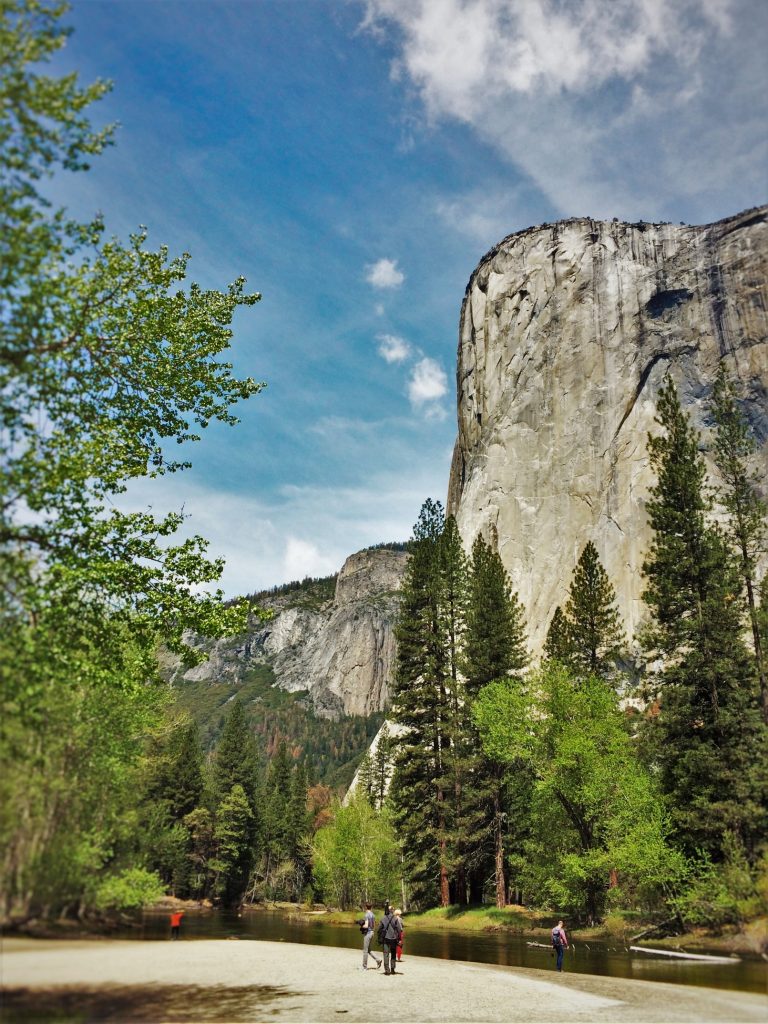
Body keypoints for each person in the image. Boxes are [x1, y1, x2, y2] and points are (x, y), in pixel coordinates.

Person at [378, 904, 403, 975]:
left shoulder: (383, 918)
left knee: (386, 954)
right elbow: (399, 929)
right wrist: (399, 938)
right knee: (393, 954)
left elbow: (379, 928)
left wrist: (379, 937)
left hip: (385, 939)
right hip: (394, 939)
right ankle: (392, 969)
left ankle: (387, 970)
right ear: (392, 911)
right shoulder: (395, 918)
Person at [358, 902, 381, 970]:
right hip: (372, 932)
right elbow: (373, 925)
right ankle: (378, 960)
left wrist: (361, 925)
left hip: (368, 933)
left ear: (365, 907)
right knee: (369, 949)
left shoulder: (366, 915)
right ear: (371, 907)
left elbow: (366, 926)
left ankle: (364, 967)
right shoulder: (373, 915)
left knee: (365, 951)